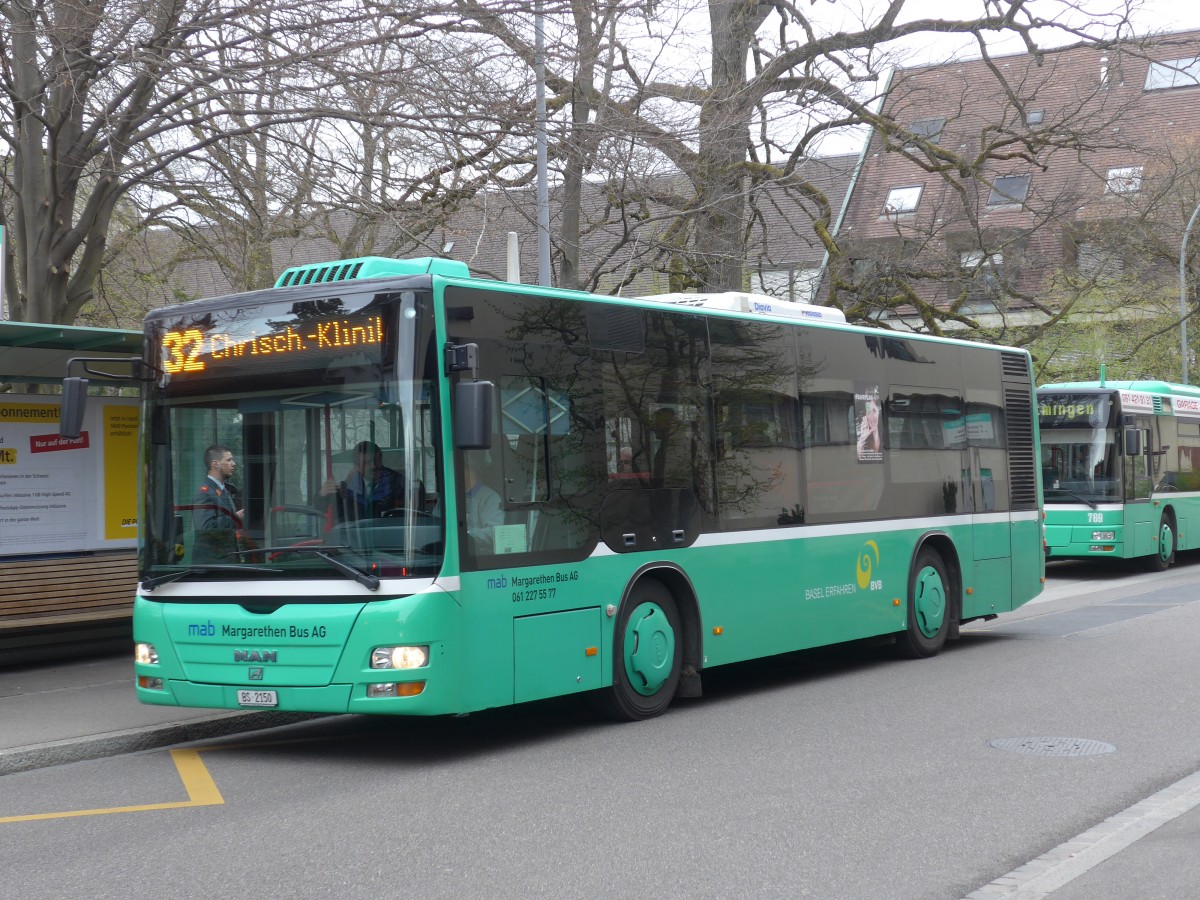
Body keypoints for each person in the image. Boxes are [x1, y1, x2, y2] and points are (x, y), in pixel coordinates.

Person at [319, 441, 414, 521]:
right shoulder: (346, 488)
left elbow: (409, 518)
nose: (373, 466)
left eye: (376, 461)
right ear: (357, 466)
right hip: (354, 540)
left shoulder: (398, 483)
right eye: (367, 463)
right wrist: (322, 496)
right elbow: (323, 513)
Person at [191, 445, 243, 561]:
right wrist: (236, 518)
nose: (233, 464)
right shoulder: (204, 493)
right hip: (211, 568)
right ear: (216, 464)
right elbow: (205, 529)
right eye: (229, 460)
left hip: (224, 564)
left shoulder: (224, 490)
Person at [464, 456, 505, 550]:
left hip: (475, 555)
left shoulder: (490, 498)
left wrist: (465, 534)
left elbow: (493, 532)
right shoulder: (449, 495)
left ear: (471, 471)